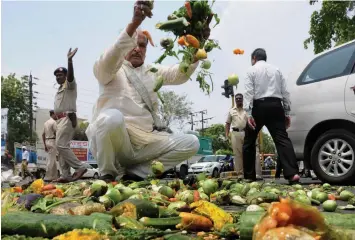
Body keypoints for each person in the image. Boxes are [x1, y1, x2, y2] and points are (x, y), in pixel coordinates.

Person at [85, 1, 211, 182]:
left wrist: (198, 44)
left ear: (147, 49)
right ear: (125, 44)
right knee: (111, 118)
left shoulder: (152, 71)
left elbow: (179, 75)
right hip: (116, 142)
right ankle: (107, 174)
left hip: (146, 143)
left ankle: (137, 173)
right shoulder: (111, 68)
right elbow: (107, 61)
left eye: (142, 45)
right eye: (133, 44)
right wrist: (134, 23)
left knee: (191, 142)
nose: (137, 49)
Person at [243, 48, 300, 183]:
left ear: (254, 58)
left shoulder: (251, 70)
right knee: (282, 139)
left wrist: (248, 113)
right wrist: (287, 112)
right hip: (276, 105)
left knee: (249, 142)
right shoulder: (277, 70)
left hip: (258, 106)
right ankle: (292, 174)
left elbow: (249, 93)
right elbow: (285, 92)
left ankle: (249, 177)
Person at [53, 48, 89, 183]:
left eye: (61, 75)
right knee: (61, 147)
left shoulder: (69, 85)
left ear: (66, 76)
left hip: (67, 118)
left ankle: (80, 167)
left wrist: (69, 61)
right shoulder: (59, 89)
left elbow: (71, 77)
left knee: (60, 144)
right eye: (56, 76)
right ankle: (66, 175)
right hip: (60, 120)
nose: (58, 77)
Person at [225, 93, 263, 179]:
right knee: (237, 154)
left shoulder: (248, 109)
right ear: (235, 100)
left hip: (248, 133)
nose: (238, 100)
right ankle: (240, 174)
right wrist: (227, 136)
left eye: (240, 98)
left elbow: (254, 121)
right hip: (235, 134)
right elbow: (227, 124)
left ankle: (257, 173)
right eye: (237, 99)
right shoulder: (231, 111)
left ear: (243, 99)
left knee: (255, 152)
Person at [42, 110, 58, 182]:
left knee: (53, 159)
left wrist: (45, 145)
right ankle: (47, 176)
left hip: (47, 141)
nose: (56, 116)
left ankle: (54, 176)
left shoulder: (45, 123)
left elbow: (43, 134)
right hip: (52, 141)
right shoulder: (54, 122)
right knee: (51, 160)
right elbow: (56, 132)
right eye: (56, 114)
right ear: (53, 114)